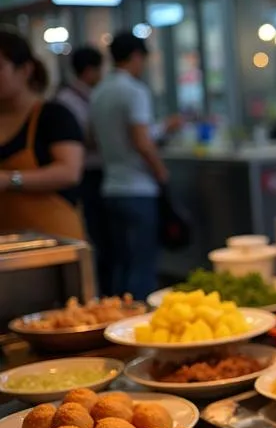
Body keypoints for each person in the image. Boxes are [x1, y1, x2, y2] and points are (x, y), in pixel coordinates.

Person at [90, 32, 169, 300]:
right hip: (137, 188)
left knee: (119, 263)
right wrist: (160, 172)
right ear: (136, 56)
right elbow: (142, 141)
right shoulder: (134, 91)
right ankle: (137, 329)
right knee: (141, 265)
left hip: (109, 186)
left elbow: (91, 138)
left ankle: (114, 323)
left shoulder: (98, 91)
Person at [0, 28, 84, 239]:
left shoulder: (53, 116)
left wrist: (11, 180)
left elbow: (69, 172)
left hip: (54, 242)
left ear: (25, 70)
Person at [56, 45, 111, 290]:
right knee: (96, 234)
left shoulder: (93, 95)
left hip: (99, 173)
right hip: (86, 176)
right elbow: (85, 139)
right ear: (89, 71)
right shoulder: (67, 101)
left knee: (105, 236)